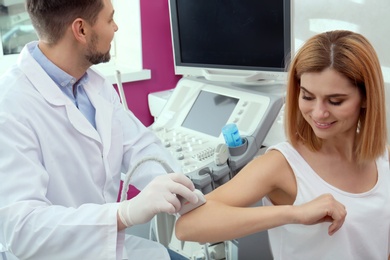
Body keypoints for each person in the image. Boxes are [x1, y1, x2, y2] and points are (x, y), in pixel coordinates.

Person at [0, 0, 198, 259]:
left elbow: (140, 146)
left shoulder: (93, 84)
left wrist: (181, 189)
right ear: (80, 30)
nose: (116, 27)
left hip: (107, 249)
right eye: (109, 19)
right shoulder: (10, 106)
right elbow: (22, 230)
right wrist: (123, 213)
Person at [175, 30, 390, 259]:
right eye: (307, 97)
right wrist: (293, 213)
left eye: (335, 101)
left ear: (366, 97)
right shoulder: (282, 165)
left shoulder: (383, 158)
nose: (319, 112)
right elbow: (188, 225)